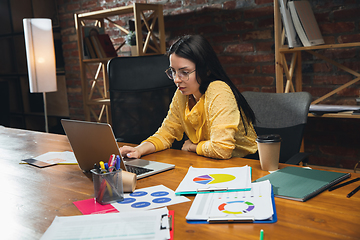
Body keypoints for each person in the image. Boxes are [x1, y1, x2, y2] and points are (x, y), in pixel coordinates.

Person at [120, 35, 257, 160]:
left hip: (247, 164)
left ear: (206, 69)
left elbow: (221, 149)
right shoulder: (182, 94)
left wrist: (192, 147)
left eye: (184, 72)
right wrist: (138, 150)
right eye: (173, 72)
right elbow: (166, 133)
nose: (176, 80)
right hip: (211, 162)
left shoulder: (218, 90)